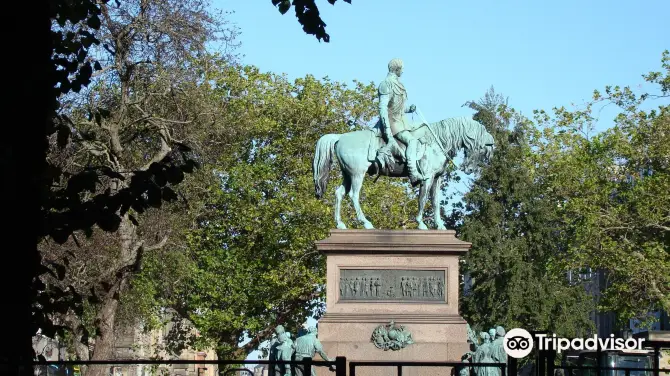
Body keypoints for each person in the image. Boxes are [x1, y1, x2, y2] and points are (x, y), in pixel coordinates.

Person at [377, 58, 426, 184]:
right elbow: (383, 108)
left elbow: (397, 108)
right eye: (402, 69)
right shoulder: (386, 84)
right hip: (393, 123)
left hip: (401, 122)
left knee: (422, 130)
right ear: (397, 69)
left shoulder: (398, 84)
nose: (403, 71)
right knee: (412, 141)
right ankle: (413, 172)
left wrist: (409, 109)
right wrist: (387, 129)